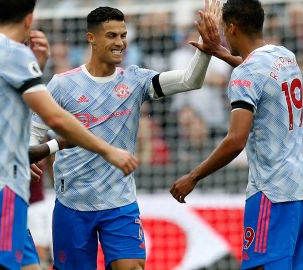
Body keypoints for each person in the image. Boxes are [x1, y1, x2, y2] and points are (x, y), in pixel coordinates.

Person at [31, 2, 219, 269]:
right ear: (91, 38)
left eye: (123, 35)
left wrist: (206, 49)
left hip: (119, 203)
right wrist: (28, 156)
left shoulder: (135, 80)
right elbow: (34, 128)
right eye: (112, 36)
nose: (120, 42)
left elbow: (191, 80)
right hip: (73, 203)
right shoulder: (63, 84)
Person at [0, 1, 138, 270]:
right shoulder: (14, 55)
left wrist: (34, 71)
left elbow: (4, 108)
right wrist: (107, 150)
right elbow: (54, 117)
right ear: (29, 20)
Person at [169, 0, 303, 269]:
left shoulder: (243, 76)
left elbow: (236, 140)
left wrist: (193, 176)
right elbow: (258, 73)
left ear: (232, 27)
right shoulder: (285, 55)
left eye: (225, 30)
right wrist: (219, 52)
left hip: (272, 192)